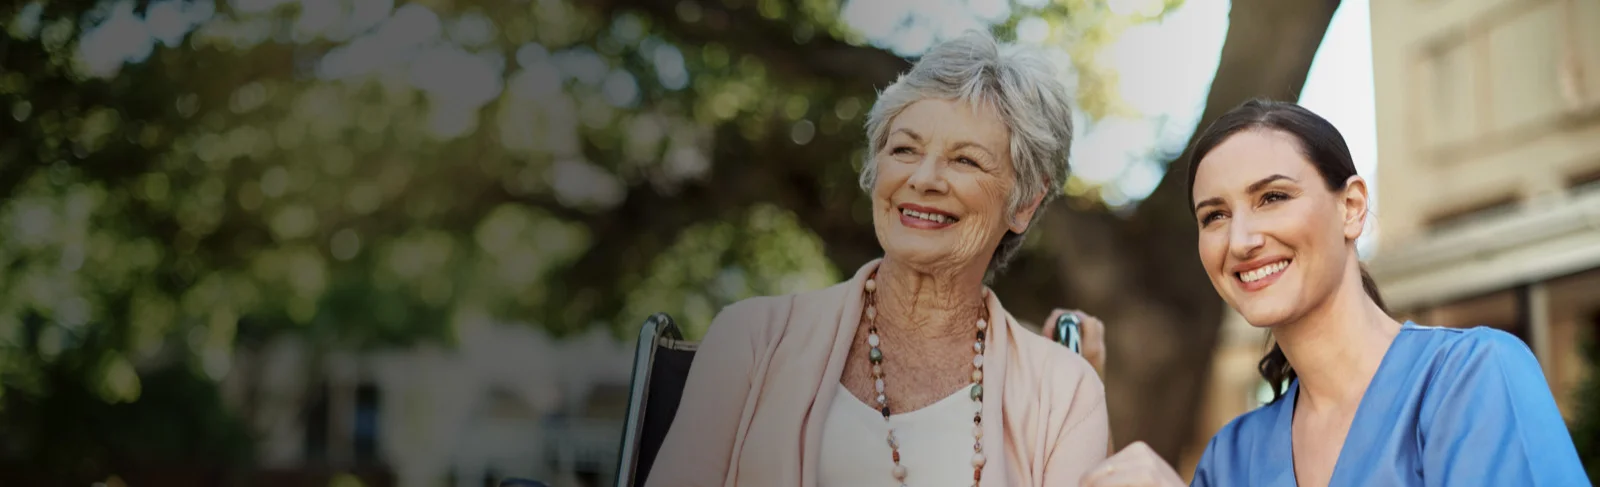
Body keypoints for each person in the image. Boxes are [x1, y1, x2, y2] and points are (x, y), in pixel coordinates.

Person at [644, 31, 1109, 487]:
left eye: (965, 160)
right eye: (904, 149)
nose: (923, 178)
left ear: (1025, 202)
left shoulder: (1065, 393)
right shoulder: (749, 340)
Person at [1078, 99, 1589, 487]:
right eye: (1215, 216)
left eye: (1273, 197)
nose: (1241, 241)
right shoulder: (1230, 460)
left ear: (1351, 207)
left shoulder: (1472, 377)